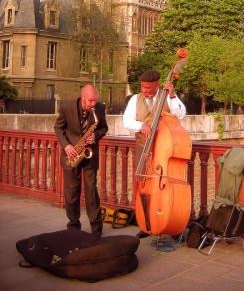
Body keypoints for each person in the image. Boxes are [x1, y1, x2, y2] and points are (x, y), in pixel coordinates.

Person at [122, 70, 186, 238]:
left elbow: (180, 114)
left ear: (157, 85)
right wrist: (141, 125)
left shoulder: (167, 96)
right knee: (143, 184)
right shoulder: (135, 99)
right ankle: (145, 223)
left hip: (164, 147)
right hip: (144, 147)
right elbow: (126, 121)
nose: (144, 90)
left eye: (148, 88)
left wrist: (172, 96)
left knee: (166, 184)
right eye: (142, 87)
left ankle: (169, 220)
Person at [54, 84, 108, 237]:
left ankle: (96, 229)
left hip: (89, 154)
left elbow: (104, 128)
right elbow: (58, 128)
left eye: (95, 101)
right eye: (90, 101)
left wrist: (95, 136)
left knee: (91, 190)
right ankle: (73, 226)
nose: (93, 104)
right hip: (71, 154)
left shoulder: (99, 108)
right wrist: (66, 146)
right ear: (83, 98)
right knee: (71, 193)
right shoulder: (66, 106)